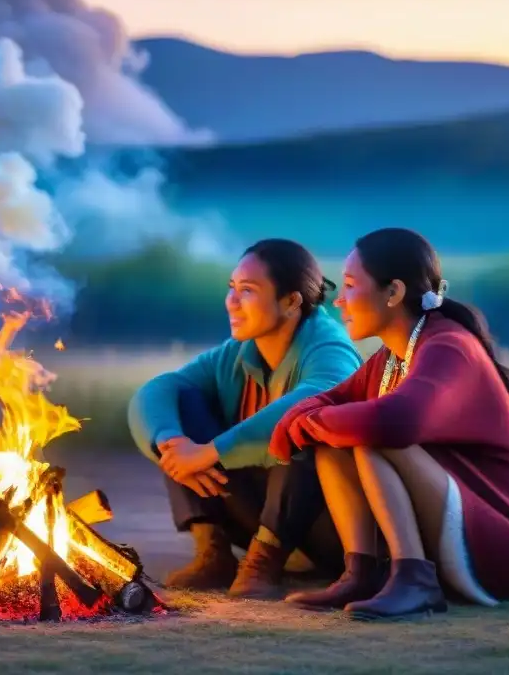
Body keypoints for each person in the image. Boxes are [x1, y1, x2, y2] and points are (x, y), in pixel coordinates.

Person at [269, 228, 509, 620]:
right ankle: (362, 574)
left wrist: (308, 423)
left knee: (371, 434)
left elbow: (397, 422)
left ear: (393, 293)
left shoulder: (450, 346)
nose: (339, 300)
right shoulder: (390, 357)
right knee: (341, 433)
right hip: (460, 526)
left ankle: (414, 581)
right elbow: (332, 400)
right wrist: (298, 421)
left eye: (351, 285)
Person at [128, 239, 362, 598]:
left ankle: (263, 565)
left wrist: (209, 452)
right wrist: (169, 441)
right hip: (256, 509)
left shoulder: (329, 348)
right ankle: (213, 551)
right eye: (231, 289)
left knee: (304, 429)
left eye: (248, 291)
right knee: (182, 405)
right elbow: (159, 389)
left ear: (291, 301)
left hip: (328, 526)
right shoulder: (238, 352)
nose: (232, 302)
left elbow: (314, 401)